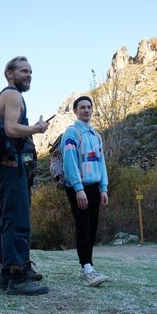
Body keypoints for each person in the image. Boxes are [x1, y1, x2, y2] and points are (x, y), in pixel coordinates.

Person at [0, 56, 50, 295]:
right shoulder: (13, 95)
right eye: (24, 71)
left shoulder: (3, 96)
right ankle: (18, 278)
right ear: (9, 73)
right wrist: (37, 128)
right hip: (12, 169)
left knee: (5, 222)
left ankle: (6, 276)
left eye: (31, 72)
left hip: (2, 170)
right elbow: (11, 129)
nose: (28, 75)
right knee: (17, 222)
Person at [61, 96, 110, 287]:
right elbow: (69, 162)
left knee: (92, 227)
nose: (86, 110)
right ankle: (88, 269)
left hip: (94, 187)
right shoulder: (71, 133)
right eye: (82, 107)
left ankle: (86, 266)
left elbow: (101, 162)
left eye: (89, 107)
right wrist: (78, 188)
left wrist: (103, 187)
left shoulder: (95, 135)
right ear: (75, 111)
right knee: (83, 226)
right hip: (77, 187)